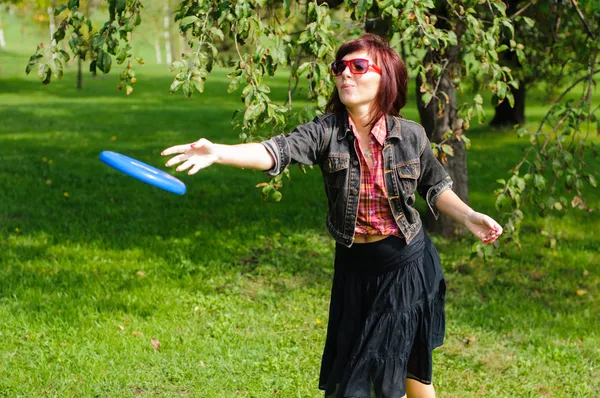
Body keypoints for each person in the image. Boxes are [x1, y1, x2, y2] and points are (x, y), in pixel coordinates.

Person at [161, 33, 502, 398]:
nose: (345, 75)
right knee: (388, 371)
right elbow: (277, 151)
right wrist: (220, 152)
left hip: (405, 266)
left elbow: (434, 186)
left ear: (384, 76)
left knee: (395, 372)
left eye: (358, 66)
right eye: (339, 68)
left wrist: (468, 217)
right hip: (355, 270)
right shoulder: (326, 132)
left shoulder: (411, 135)